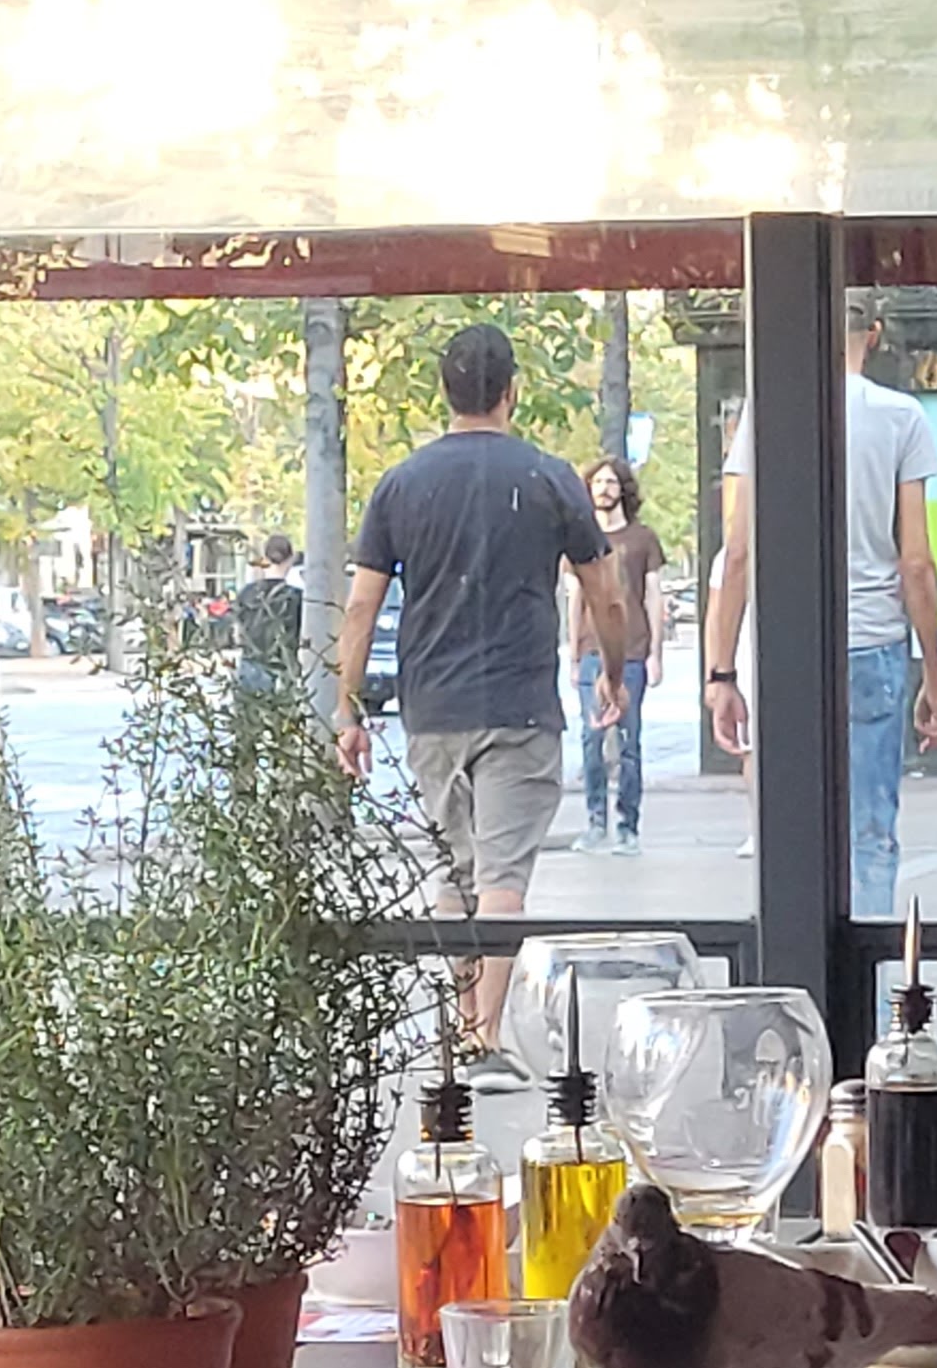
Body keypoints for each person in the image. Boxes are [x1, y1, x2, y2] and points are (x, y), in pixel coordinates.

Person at [334, 323, 630, 1069]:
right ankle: (485, 1036)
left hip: (431, 706)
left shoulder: (402, 483)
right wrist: (613, 671)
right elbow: (605, 593)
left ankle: (463, 1018)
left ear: (446, 392)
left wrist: (349, 707)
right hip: (520, 703)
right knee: (503, 877)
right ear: (511, 393)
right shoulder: (549, 478)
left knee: (453, 870)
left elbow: (362, 605)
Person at [703, 293, 937, 916]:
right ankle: (866, 965)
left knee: (789, 826)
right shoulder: (902, 417)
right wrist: (934, 676)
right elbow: (916, 563)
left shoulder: (767, 412)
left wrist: (722, 672)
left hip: (788, 646)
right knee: (869, 830)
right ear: (874, 334)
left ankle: (794, 959)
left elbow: (738, 551)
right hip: (872, 641)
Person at [571, 455, 664, 850]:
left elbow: (653, 595)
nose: (604, 489)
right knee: (591, 737)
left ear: (623, 489)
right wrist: (573, 655)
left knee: (629, 740)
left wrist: (656, 651)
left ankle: (628, 826)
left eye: (611, 482)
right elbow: (575, 598)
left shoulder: (643, 539)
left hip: (633, 651)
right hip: (591, 651)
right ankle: (595, 822)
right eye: (597, 483)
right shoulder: (581, 540)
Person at [233, 531, 303, 700]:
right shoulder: (295, 597)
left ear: (264, 558)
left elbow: (236, 635)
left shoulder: (246, 593)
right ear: (291, 559)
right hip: (283, 666)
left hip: (251, 664)